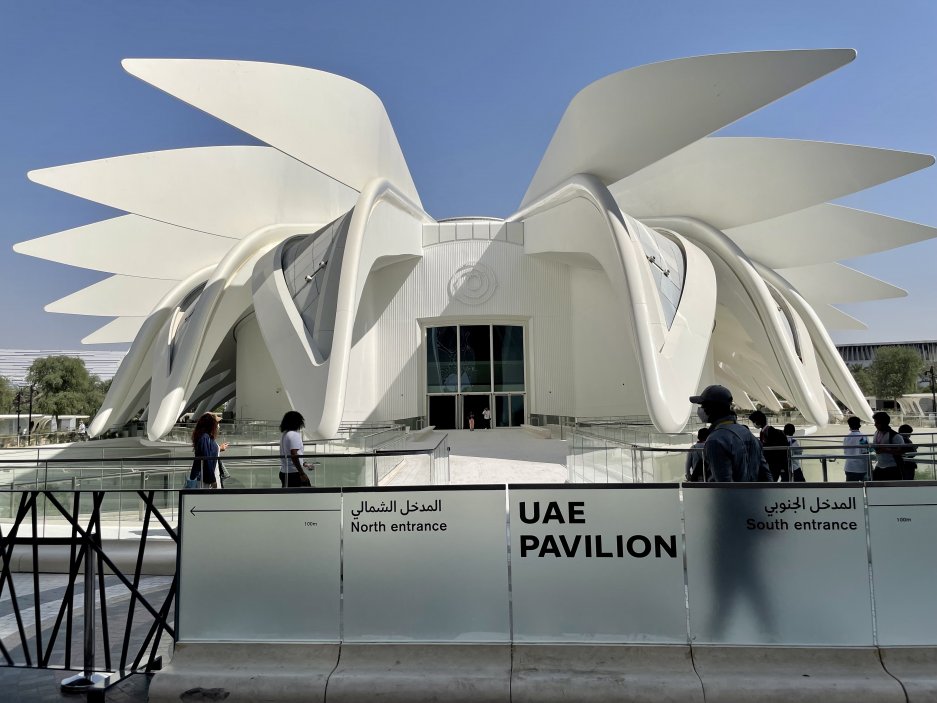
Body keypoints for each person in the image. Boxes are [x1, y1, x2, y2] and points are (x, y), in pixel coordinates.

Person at [690, 385, 769, 482]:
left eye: (703, 405)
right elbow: (766, 473)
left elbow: (724, 487)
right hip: (752, 496)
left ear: (711, 408)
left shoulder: (715, 440)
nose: (700, 409)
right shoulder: (749, 435)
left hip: (732, 497)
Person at [189, 413, 228, 488]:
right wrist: (212, 480)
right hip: (206, 481)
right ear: (211, 424)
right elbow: (207, 459)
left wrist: (219, 448)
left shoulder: (206, 437)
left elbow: (208, 452)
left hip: (209, 478)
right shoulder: (205, 438)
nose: (218, 425)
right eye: (217, 423)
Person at [749, 411, 789, 482]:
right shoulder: (764, 431)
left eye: (754, 422)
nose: (754, 424)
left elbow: (774, 449)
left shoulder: (770, 432)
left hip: (773, 464)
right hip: (770, 464)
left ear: (758, 421)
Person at [279, 410, 312, 488]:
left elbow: (289, 454)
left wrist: (303, 463)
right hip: (294, 474)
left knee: (289, 498)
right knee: (307, 495)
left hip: (284, 472)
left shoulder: (285, 434)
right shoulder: (294, 435)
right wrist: (302, 473)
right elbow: (294, 454)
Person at [871, 411, 905, 481]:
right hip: (879, 466)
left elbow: (902, 451)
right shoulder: (876, 433)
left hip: (892, 468)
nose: (875, 425)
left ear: (883, 423)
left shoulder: (895, 436)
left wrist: (886, 450)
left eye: (877, 423)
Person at [842, 416, 871, 481]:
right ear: (859, 425)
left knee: (851, 489)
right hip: (861, 468)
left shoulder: (846, 438)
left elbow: (845, 451)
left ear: (849, 425)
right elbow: (865, 451)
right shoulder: (862, 437)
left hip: (849, 467)